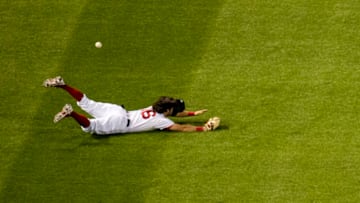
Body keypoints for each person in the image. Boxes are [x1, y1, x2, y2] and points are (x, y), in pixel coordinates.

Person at [42, 76, 220, 135]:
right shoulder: (161, 122)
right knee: (91, 128)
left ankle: (63, 84)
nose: (176, 112)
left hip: (118, 110)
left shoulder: (154, 108)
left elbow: (177, 115)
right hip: (120, 123)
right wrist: (203, 128)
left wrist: (194, 113)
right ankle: (71, 114)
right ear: (167, 111)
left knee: (87, 102)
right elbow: (181, 127)